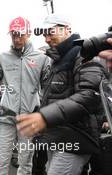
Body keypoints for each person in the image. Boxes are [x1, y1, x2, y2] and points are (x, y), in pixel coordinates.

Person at [16, 14, 106, 175]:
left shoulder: (85, 54)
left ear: (68, 30)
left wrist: (44, 117)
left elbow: (88, 97)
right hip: (59, 136)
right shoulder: (57, 60)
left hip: (76, 138)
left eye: (50, 32)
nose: (47, 38)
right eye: (44, 34)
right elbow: (54, 97)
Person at [0, 16, 51, 175]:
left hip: (29, 119)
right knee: (2, 160)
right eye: (13, 34)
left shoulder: (42, 58)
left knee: (25, 161)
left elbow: (48, 86)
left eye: (20, 34)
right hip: (6, 117)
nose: (16, 38)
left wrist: (41, 108)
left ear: (29, 33)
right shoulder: (2, 57)